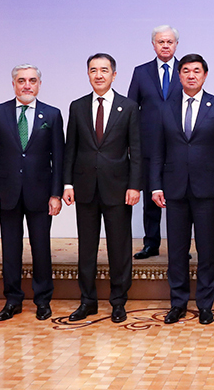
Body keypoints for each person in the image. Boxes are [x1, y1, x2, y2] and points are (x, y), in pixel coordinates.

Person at [152, 54, 214, 325]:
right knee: (176, 251)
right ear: (179, 75)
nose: (191, 75)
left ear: (205, 75)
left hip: (208, 190)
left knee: (207, 251)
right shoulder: (166, 107)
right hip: (174, 189)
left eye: (196, 71)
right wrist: (155, 186)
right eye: (186, 70)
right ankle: (177, 303)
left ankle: (205, 305)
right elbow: (157, 151)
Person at [63, 53, 141, 324]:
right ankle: (87, 301)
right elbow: (70, 149)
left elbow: (136, 150)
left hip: (118, 189)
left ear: (114, 75)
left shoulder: (128, 107)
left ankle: (118, 301)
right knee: (86, 248)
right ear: (88, 74)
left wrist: (135, 185)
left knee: (119, 248)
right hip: (84, 187)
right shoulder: (77, 106)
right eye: (93, 70)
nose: (99, 75)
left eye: (104, 70)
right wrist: (68, 183)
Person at [0, 64, 64, 321]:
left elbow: (58, 158)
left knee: (41, 248)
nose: (27, 85)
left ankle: (43, 300)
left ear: (39, 84)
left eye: (32, 80)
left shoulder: (52, 115)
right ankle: (13, 300)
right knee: (10, 249)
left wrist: (56, 194)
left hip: (41, 193)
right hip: (7, 192)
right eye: (21, 81)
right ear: (13, 84)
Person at [128, 25, 182, 259]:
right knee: (151, 197)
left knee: (179, 198)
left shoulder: (186, 70)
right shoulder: (141, 72)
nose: (165, 46)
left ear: (176, 44)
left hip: (179, 145)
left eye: (169, 42)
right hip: (148, 145)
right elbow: (131, 109)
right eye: (161, 42)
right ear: (153, 45)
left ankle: (179, 246)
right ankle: (150, 243)